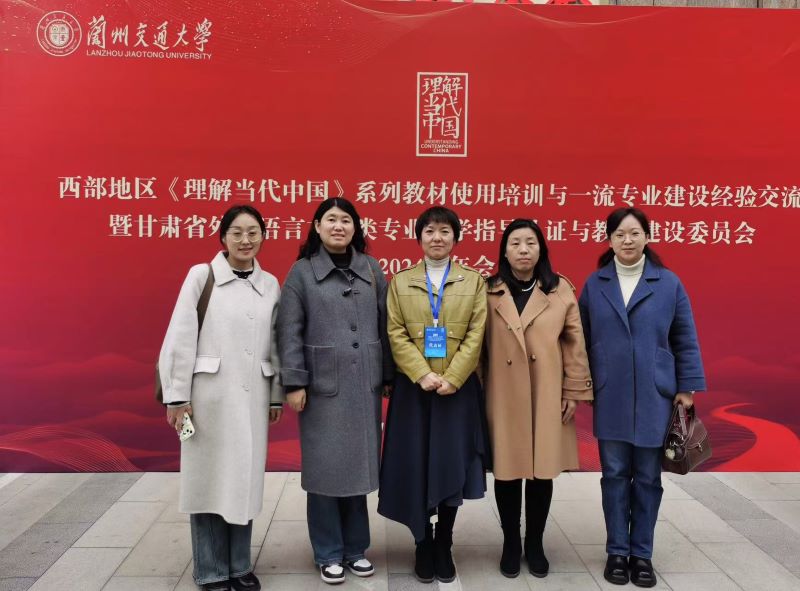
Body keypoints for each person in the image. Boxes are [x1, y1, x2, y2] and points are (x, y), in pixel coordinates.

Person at [578, 207, 705, 588]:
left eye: (634, 233)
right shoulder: (596, 284)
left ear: (647, 237)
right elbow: (580, 339)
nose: (627, 240)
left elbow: (685, 337)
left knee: (648, 477)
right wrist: (583, 383)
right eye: (619, 234)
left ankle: (642, 554)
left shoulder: (668, 283)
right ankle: (617, 551)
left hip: (656, 394)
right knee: (615, 474)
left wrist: (686, 387)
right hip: (610, 393)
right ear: (609, 240)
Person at [159, 205, 283, 591]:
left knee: (244, 480)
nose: (245, 240)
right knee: (209, 482)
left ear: (263, 236)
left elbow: (275, 344)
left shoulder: (270, 284)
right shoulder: (202, 276)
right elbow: (181, 335)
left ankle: (240, 566)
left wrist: (275, 396)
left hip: (252, 400)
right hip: (208, 398)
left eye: (253, 232)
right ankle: (211, 569)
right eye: (237, 232)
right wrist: (177, 397)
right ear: (223, 237)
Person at [275, 198, 393, 585]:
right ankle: (327, 551)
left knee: (357, 469)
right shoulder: (302, 272)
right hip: (321, 387)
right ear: (317, 226)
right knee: (326, 472)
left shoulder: (371, 268)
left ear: (356, 228)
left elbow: (386, 325)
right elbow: (289, 330)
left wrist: (387, 374)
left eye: (346, 220)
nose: (338, 226)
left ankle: (356, 548)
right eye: (331, 220)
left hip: (363, 386)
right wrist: (295, 381)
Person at [378, 206, 489, 584]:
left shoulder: (473, 281)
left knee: (450, 463)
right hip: (414, 390)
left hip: (457, 391)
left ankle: (445, 540)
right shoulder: (400, 281)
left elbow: (476, 333)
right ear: (419, 237)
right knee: (417, 465)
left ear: (456, 237)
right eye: (429, 231)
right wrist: (422, 373)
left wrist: (453, 377)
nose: (437, 238)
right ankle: (422, 541)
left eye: (444, 231)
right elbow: (395, 332)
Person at [483, 219, 593, 579]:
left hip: (547, 391)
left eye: (531, 242)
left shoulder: (560, 290)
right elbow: (476, 347)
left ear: (541, 249)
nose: (523, 250)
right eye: (515, 243)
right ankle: (510, 543)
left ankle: (535, 543)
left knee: (542, 470)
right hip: (503, 392)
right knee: (507, 471)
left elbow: (574, 343)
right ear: (504, 251)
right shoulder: (488, 291)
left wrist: (573, 390)